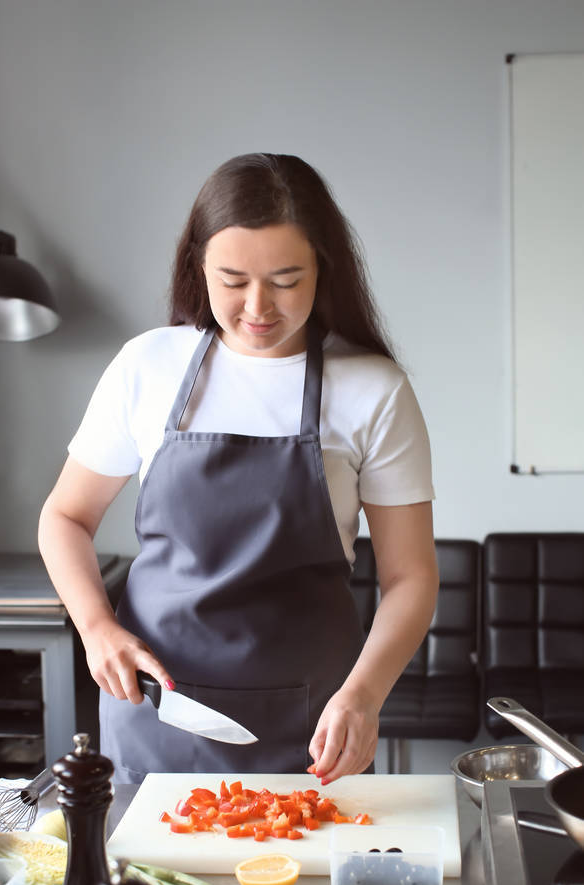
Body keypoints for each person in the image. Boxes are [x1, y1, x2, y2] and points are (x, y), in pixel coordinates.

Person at [38, 153, 439, 785]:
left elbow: (412, 577)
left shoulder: (373, 389)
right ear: (199, 265)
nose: (258, 307)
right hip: (155, 712)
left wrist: (365, 696)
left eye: (286, 280)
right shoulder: (147, 366)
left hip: (314, 726)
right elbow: (64, 516)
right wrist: (96, 628)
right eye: (232, 279)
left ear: (323, 271)